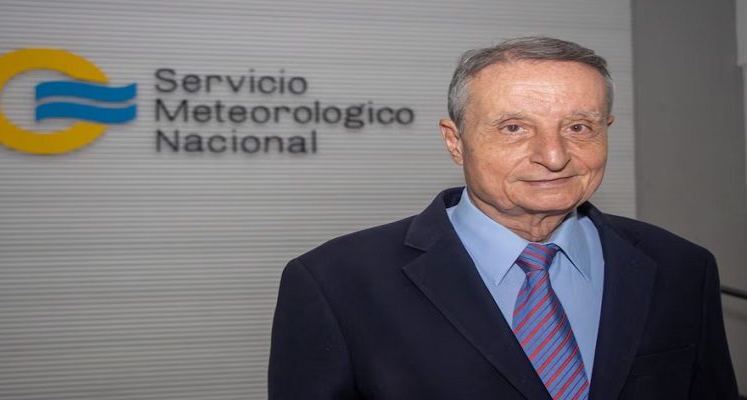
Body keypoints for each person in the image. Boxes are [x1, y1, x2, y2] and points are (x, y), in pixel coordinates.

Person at [267, 36, 739, 400]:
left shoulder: (681, 267)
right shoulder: (336, 283)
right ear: (455, 142)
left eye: (579, 127)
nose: (554, 156)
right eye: (514, 128)